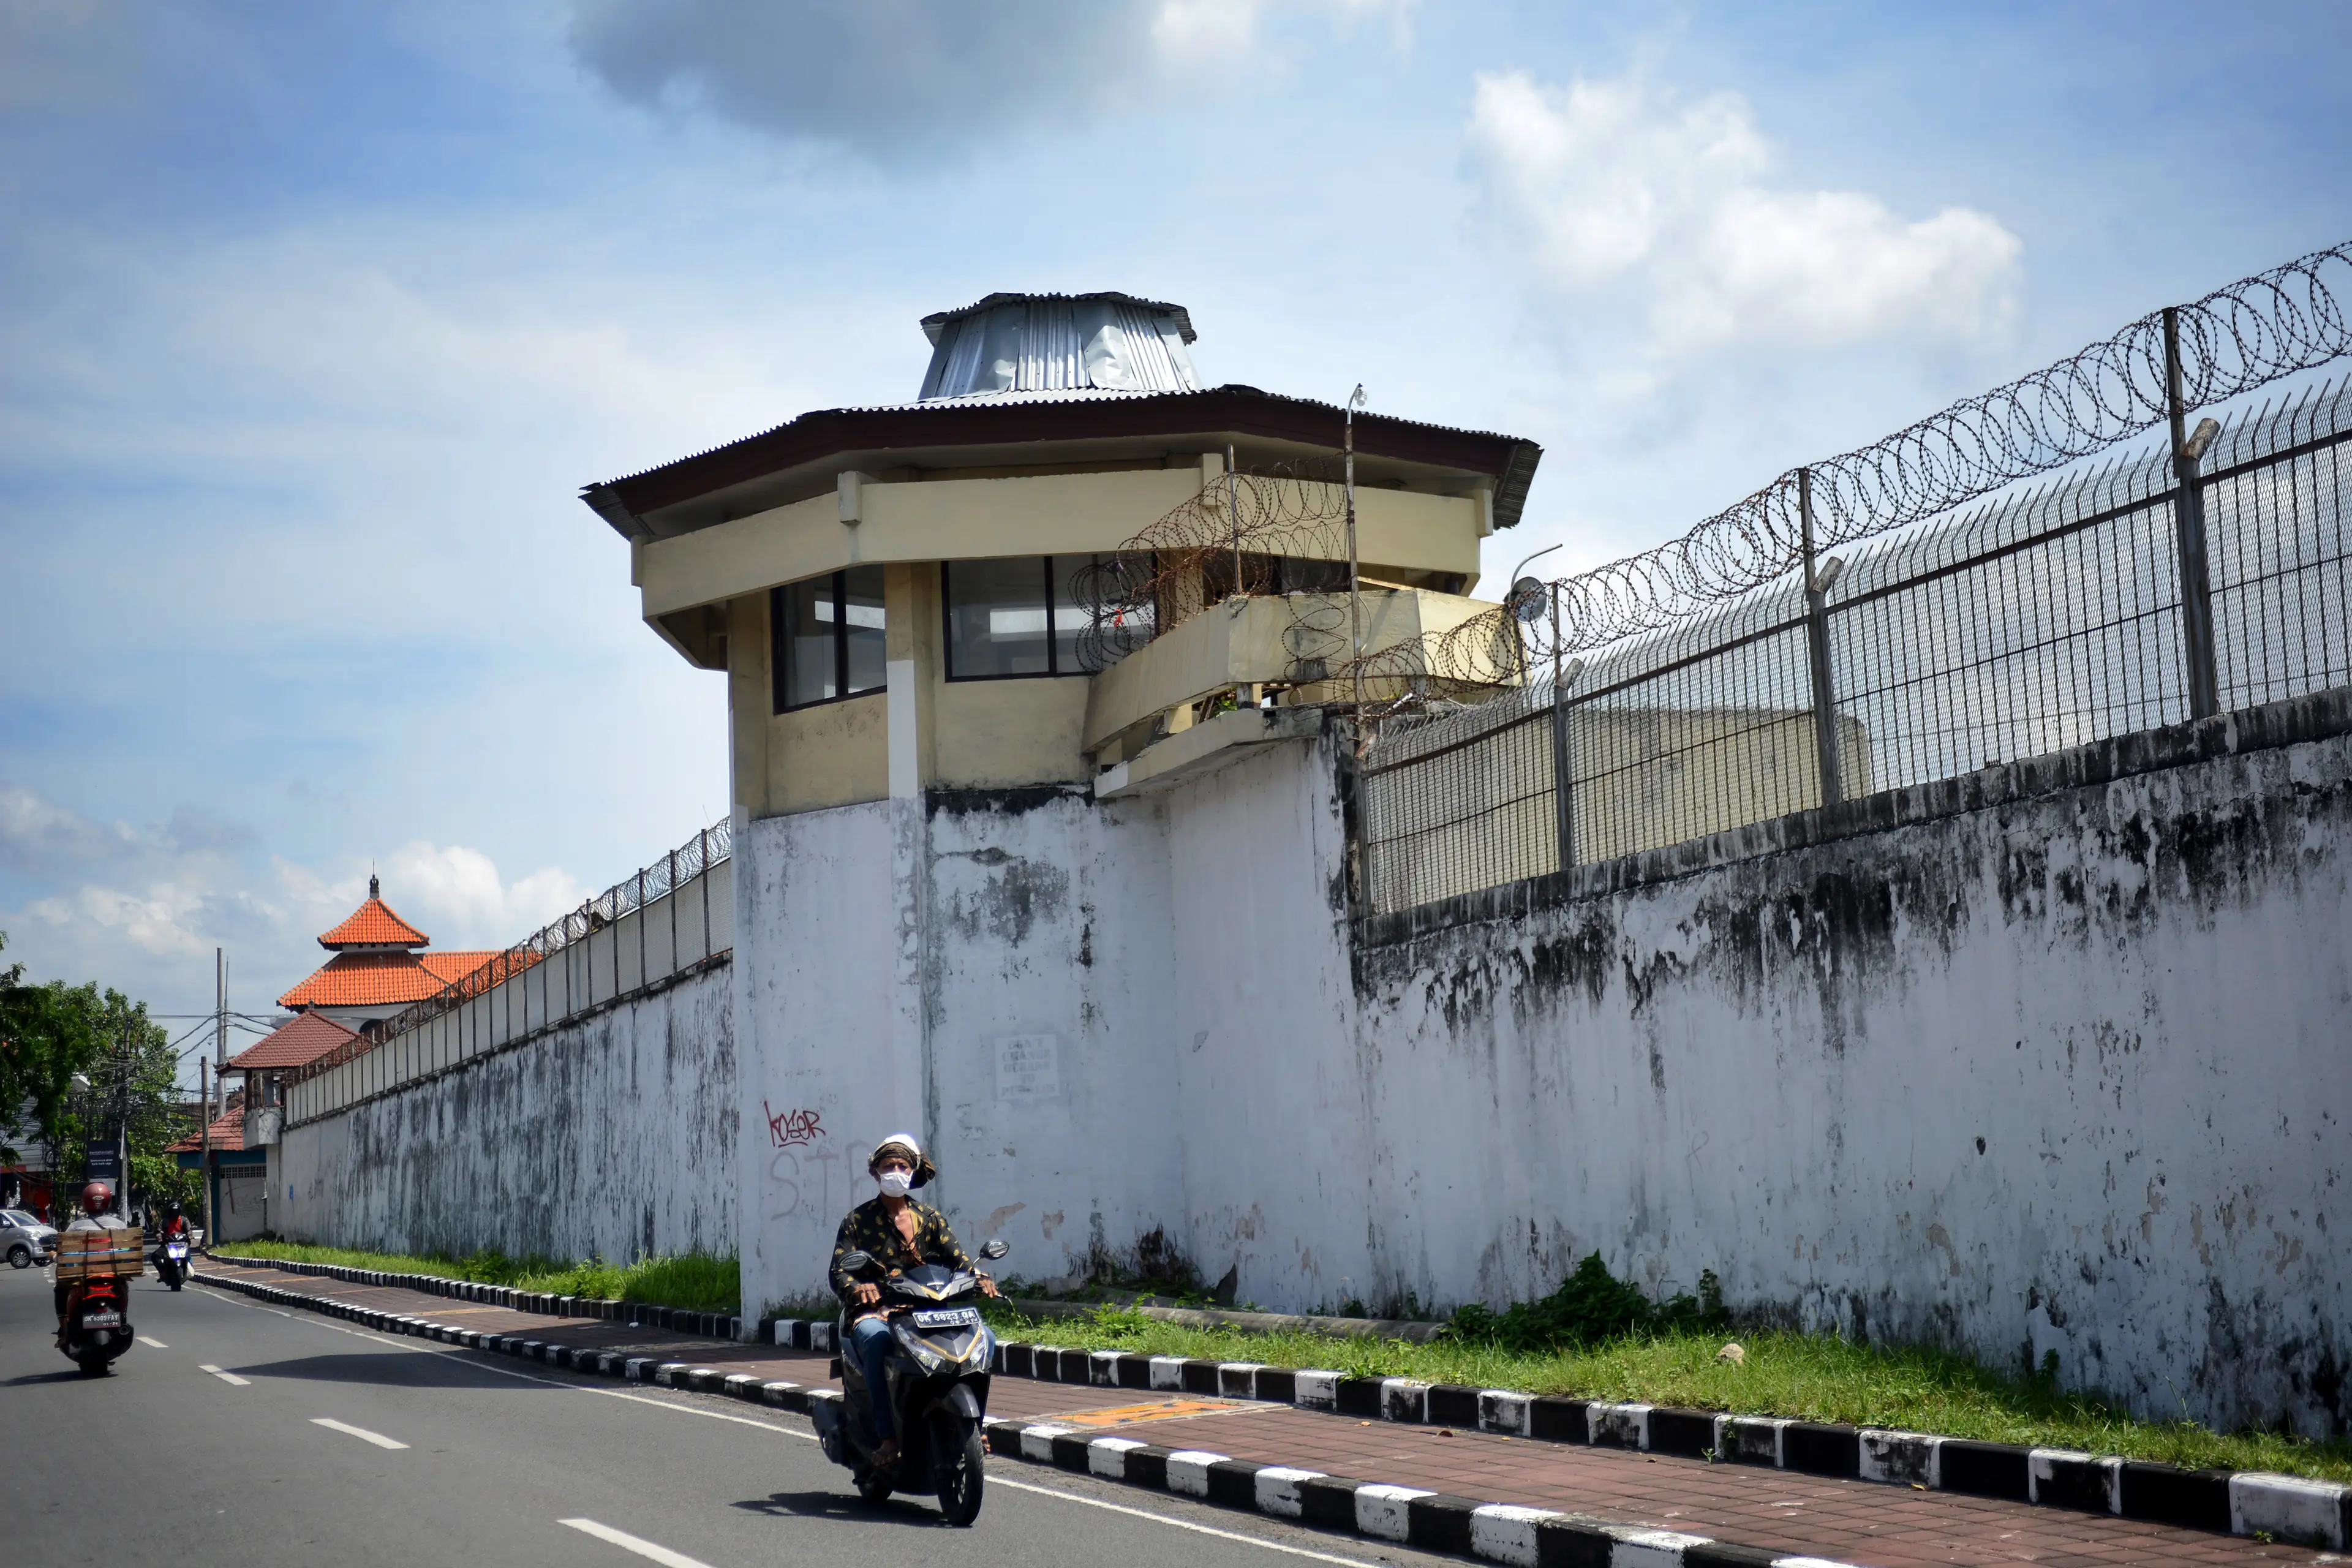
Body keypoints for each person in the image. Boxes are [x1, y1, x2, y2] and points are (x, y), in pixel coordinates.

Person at [829, 1133, 998, 1469]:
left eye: (902, 1165)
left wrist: (979, 1278)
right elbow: (839, 1272)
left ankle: (975, 1426)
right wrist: (859, 1289)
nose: (895, 1170)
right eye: (888, 1165)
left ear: (912, 1171)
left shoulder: (930, 1219)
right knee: (877, 1343)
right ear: (876, 1173)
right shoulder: (857, 1221)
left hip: (931, 1310)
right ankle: (887, 1437)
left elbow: (960, 1259)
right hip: (877, 1313)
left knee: (987, 1339)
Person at [55, 1181, 126, 1346]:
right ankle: (122, 1318)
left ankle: (64, 1328)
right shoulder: (120, 1225)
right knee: (123, 1283)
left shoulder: (75, 1227)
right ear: (108, 1201)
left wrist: (55, 1258)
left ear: (85, 1202)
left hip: (84, 1276)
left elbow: (64, 1253)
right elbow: (126, 1249)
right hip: (112, 1275)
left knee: (60, 1289)